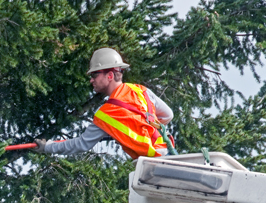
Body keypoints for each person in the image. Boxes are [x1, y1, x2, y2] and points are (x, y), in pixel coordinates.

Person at [34, 48, 175, 159]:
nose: (91, 80)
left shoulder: (107, 113)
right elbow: (168, 115)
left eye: (95, 74)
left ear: (110, 76)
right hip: (168, 153)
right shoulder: (140, 90)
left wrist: (47, 147)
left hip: (153, 163)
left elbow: (81, 144)